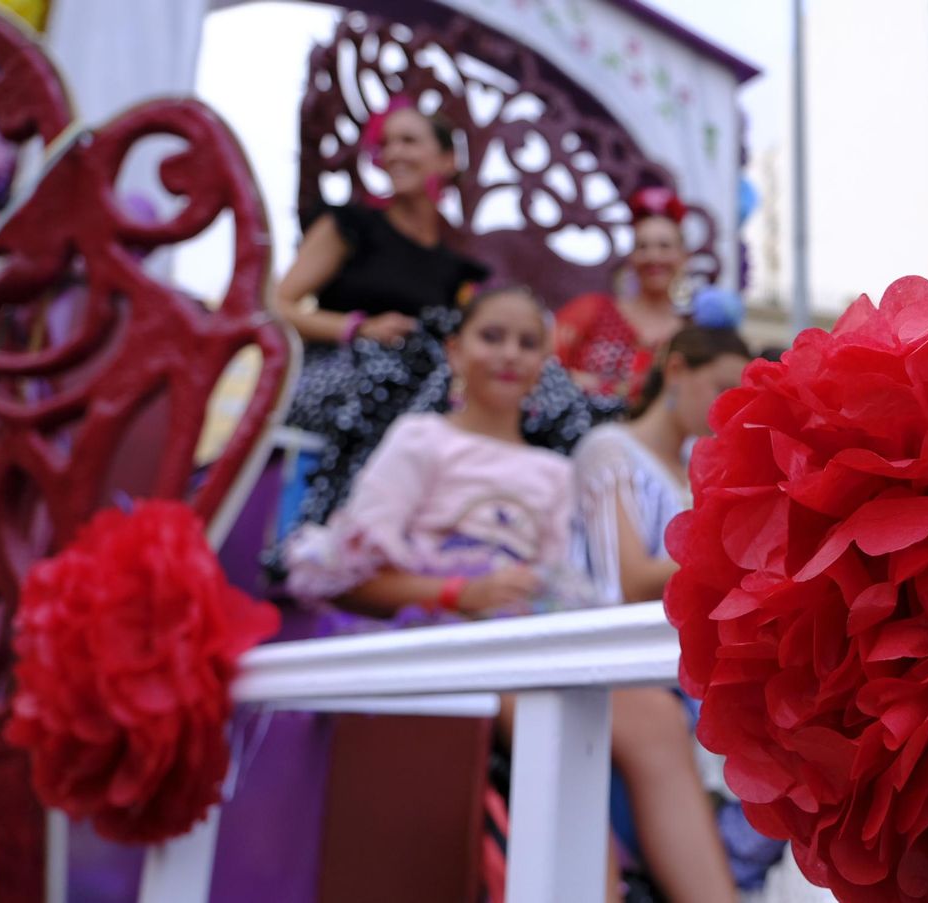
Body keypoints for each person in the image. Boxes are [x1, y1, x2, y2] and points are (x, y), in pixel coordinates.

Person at [283, 286, 601, 903]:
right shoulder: (421, 439)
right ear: (455, 351)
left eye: (527, 342)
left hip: (525, 639)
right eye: (492, 337)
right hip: (437, 636)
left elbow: (559, 584)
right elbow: (349, 579)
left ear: (544, 363)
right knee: (562, 714)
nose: (509, 354)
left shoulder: (558, 472)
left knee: (643, 715)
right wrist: (461, 591)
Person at [575, 323, 760, 902]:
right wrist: (733, 555)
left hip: (695, 661)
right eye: (720, 387)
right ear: (675, 369)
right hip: (635, 662)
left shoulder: (698, 467)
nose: (726, 408)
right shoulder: (610, 450)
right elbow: (625, 581)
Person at [273, 99, 488, 527]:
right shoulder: (351, 226)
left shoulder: (456, 267)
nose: (394, 153)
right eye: (386, 143)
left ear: (447, 160)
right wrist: (358, 328)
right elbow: (274, 306)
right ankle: (342, 526)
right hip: (337, 376)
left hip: (413, 392)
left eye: (409, 141)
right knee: (395, 381)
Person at [556, 186, 690, 403]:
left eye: (664, 246)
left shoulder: (689, 335)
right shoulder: (592, 310)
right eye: (642, 247)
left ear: (683, 257)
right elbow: (545, 367)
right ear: (631, 257)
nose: (653, 256)